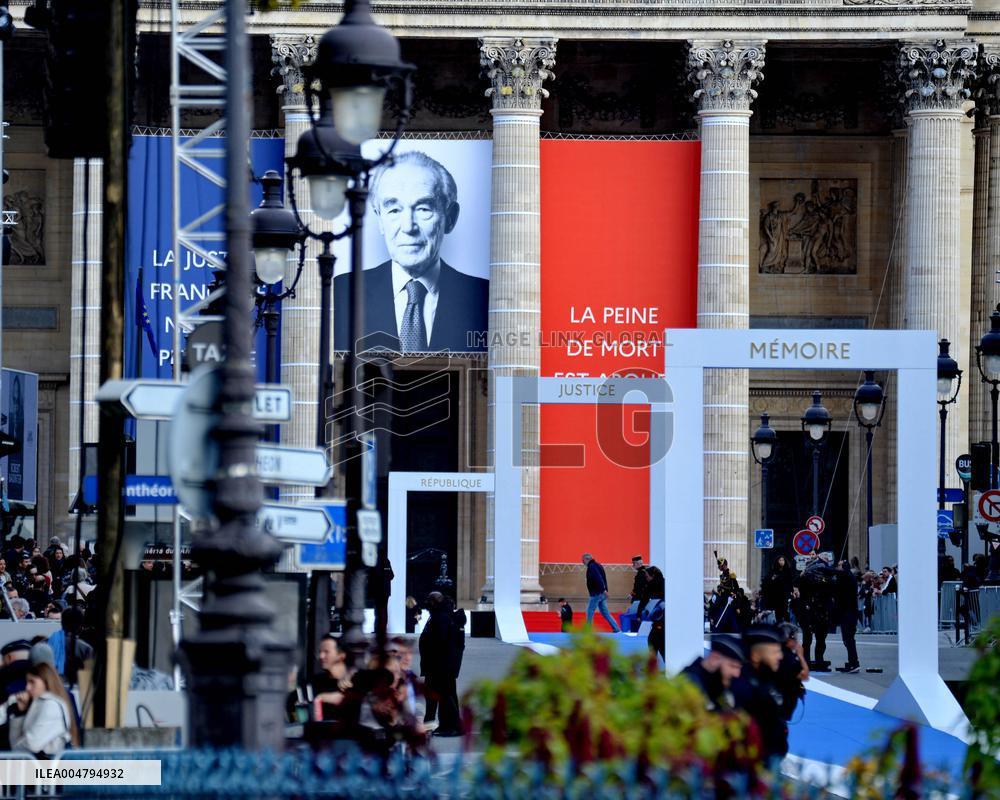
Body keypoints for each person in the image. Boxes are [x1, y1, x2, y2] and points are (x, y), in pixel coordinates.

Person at [333, 151, 488, 353]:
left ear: (450, 218)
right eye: (394, 210)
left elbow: (515, 378)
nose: (408, 227)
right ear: (380, 220)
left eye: (423, 209)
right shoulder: (342, 294)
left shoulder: (485, 297)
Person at [734, 624, 789, 764]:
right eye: (774, 652)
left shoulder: (767, 680)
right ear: (755, 655)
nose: (780, 656)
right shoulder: (742, 688)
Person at [7, 663, 78, 757]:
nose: (27, 688)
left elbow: (32, 744)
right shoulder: (38, 704)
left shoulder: (51, 705)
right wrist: (21, 712)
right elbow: (16, 743)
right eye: (27, 682)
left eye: (32, 682)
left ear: (46, 682)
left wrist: (16, 749)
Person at [419, 592, 464, 736]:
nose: (426, 604)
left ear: (434, 602)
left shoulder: (442, 618)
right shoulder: (440, 616)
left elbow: (440, 643)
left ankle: (452, 726)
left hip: (440, 666)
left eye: (429, 601)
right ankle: (441, 725)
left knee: (446, 695)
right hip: (439, 665)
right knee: (439, 695)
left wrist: (438, 664)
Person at [680, 635, 745, 712]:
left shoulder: (717, 684)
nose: (736, 674)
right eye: (732, 666)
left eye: (739, 668)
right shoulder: (690, 682)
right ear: (714, 658)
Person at [794, 555, 836, 670]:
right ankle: (814, 660)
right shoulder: (813, 577)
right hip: (812, 610)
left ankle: (813, 660)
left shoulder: (823, 578)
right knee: (815, 638)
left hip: (817, 610)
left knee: (816, 638)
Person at [307, 634, 353, 722]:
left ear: (341, 655)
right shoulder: (315, 682)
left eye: (326, 652)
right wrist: (321, 697)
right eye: (320, 652)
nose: (321, 656)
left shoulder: (354, 680)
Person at [47, 606, 93, 687]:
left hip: (50, 690)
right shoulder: (85, 649)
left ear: (62, 622)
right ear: (80, 625)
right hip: (76, 691)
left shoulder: (45, 644)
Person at [581, 553, 621, 632]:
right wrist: (605, 590)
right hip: (601, 593)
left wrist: (603, 590)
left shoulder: (591, 566)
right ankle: (617, 629)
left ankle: (588, 631)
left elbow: (598, 578)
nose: (582, 563)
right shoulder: (598, 565)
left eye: (583, 561)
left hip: (597, 593)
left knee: (590, 611)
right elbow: (602, 578)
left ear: (587, 559)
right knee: (605, 613)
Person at [834, 560, 860, 673]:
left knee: (848, 639)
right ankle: (852, 662)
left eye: (839, 565)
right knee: (847, 639)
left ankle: (854, 663)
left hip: (848, 613)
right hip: (848, 612)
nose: (837, 567)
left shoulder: (846, 577)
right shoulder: (847, 577)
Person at [761, 556, 793, 623]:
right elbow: (767, 582)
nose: (781, 562)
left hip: (784, 594)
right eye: (780, 560)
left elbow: (790, 583)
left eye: (783, 560)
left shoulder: (787, 571)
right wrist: (772, 579)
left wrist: (791, 592)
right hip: (776, 595)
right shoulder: (773, 571)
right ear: (777, 561)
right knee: (778, 612)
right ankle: (779, 627)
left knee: (785, 611)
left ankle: (788, 627)